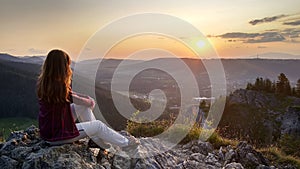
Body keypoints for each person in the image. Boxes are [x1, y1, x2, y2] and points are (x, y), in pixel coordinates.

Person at [37, 49, 138, 150]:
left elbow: (70, 95)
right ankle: (126, 144)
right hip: (57, 136)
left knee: (82, 107)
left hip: (50, 131)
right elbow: (85, 102)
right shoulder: (58, 87)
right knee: (98, 126)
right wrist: (90, 101)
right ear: (62, 67)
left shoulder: (47, 83)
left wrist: (86, 99)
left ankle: (96, 140)